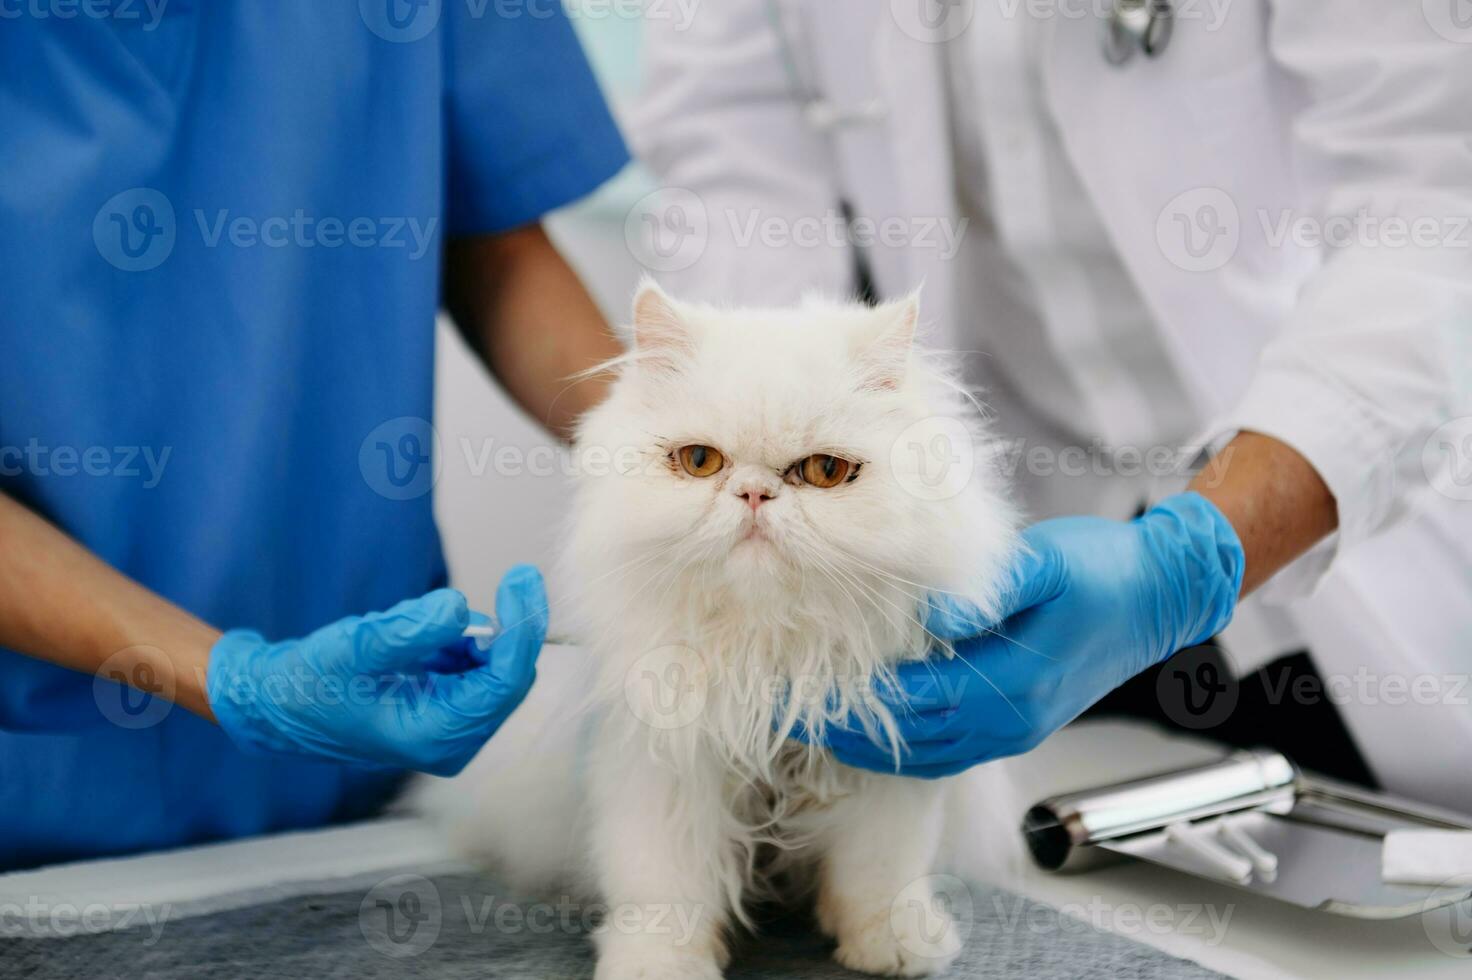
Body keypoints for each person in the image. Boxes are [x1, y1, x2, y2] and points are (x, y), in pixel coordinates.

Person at [630, 2, 1472, 807]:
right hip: (1017, 569)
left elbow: (1436, 206)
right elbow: (734, 158)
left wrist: (1194, 560)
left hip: (1329, 506)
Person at [0, 4, 627, 871]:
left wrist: (675, 449)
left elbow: (498, 242)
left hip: (354, 784)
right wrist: (238, 681)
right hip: (35, 796)